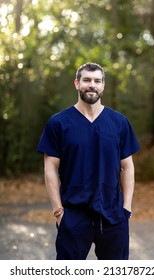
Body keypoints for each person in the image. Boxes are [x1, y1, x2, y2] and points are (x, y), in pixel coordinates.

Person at [37, 62, 140, 260]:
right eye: (86, 80)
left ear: (103, 86)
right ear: (77, 84)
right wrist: (58, 211)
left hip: (113, 215)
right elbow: (50, 168)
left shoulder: (119, 122)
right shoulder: (58, 123)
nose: (92, 85)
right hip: (73, 214)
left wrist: (126, 208)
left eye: (97, 81)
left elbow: (127, 167)